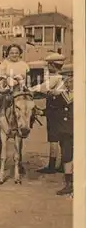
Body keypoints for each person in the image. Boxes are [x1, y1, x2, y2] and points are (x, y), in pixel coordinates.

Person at [29, 52, 67, 174]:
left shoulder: (55, 77)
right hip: (57, 111)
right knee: (61, 139)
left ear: (52, 65)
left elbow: (44, 87)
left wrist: (29, 90)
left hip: (56, 113)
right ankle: (62, 164)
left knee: (54, 139)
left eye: (48, 65)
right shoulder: (60, 77)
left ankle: (52, 166)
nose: (47, 67)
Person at [52, 65, 73, 196]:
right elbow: (54, 111)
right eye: (67, 79)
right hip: (65, 131)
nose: (69, 81)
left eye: (72, 78)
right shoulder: (61, 95)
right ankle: (69, 184)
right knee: (67, 156)